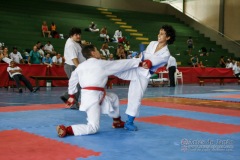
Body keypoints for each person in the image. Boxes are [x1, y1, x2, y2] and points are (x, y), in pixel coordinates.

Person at [56, 44, 146, 138]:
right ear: (93, 53)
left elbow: (72, 80)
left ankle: (117, 121)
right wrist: (138, 62)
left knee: (113, 97)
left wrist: (71, 95)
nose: (99, 52)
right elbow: (120, 64)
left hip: (93, 95)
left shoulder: (80, 66)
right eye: (97, 50)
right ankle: (67, 129)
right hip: (92, 98)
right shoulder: (101, 64)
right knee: (93, 127)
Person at [115, 24, 176, 131]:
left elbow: (150, 62)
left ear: (168, 37)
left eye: (162, 34)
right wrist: (141, 56)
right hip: (136, 66)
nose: (159, 35)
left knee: (135, 96)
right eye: (159, 33)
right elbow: (144, 55)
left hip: (144, 74)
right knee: (118, 68)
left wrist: (145, 59)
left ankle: (129, 122)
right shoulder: (152, 43)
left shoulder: (166, 54)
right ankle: (102, 68)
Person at [60, 27, 86, 110]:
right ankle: (74, 103)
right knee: (76, 84)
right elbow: (74, 58)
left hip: (74, 66)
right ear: (71, 35)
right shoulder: (71, 44)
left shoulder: (74, 42)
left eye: (79, 34)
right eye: (76, 35)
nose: (78, 36)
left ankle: (67, 96)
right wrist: (79, 68)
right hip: (72, 66)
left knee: (77, 84)